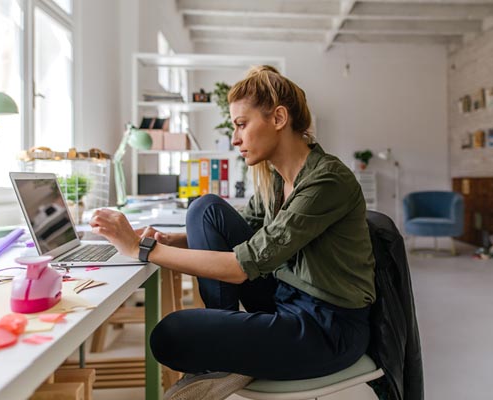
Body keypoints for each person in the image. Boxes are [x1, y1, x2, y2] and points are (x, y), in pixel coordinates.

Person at [90, 65, 376, 400]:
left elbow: (243, 265)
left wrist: (141, 249)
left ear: (279, 118)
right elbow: (248, 236)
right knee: (204, 209)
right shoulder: (276, 179)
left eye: (241, 124)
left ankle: (227, 357)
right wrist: (167, 241)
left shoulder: (327, 180)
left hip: (327, 328)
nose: (235, 138)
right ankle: (226, 360)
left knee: (169, 335)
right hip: (284, 298)